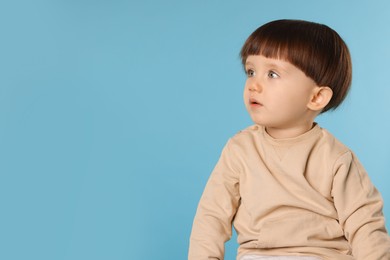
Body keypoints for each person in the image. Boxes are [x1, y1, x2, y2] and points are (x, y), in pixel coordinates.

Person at [188, 19, 390, 260]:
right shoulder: (239, 149)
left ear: (316, 97)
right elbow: (211, 217)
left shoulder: (336, 158)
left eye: (272, 74)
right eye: (251, 71)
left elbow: (365, 225)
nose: (254, 84)